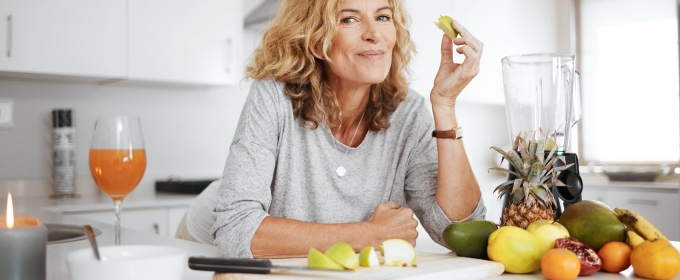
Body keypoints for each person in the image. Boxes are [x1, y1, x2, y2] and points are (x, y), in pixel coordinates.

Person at [212, 0, 485, 259]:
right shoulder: (273, 95)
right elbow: (235, 230)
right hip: (201, 241)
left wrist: (445, 104)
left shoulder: (408, 112)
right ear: (317, 41)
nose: (374, 33)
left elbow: (463, 232)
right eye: (350, 19)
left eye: (382, 16)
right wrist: (371, 234)